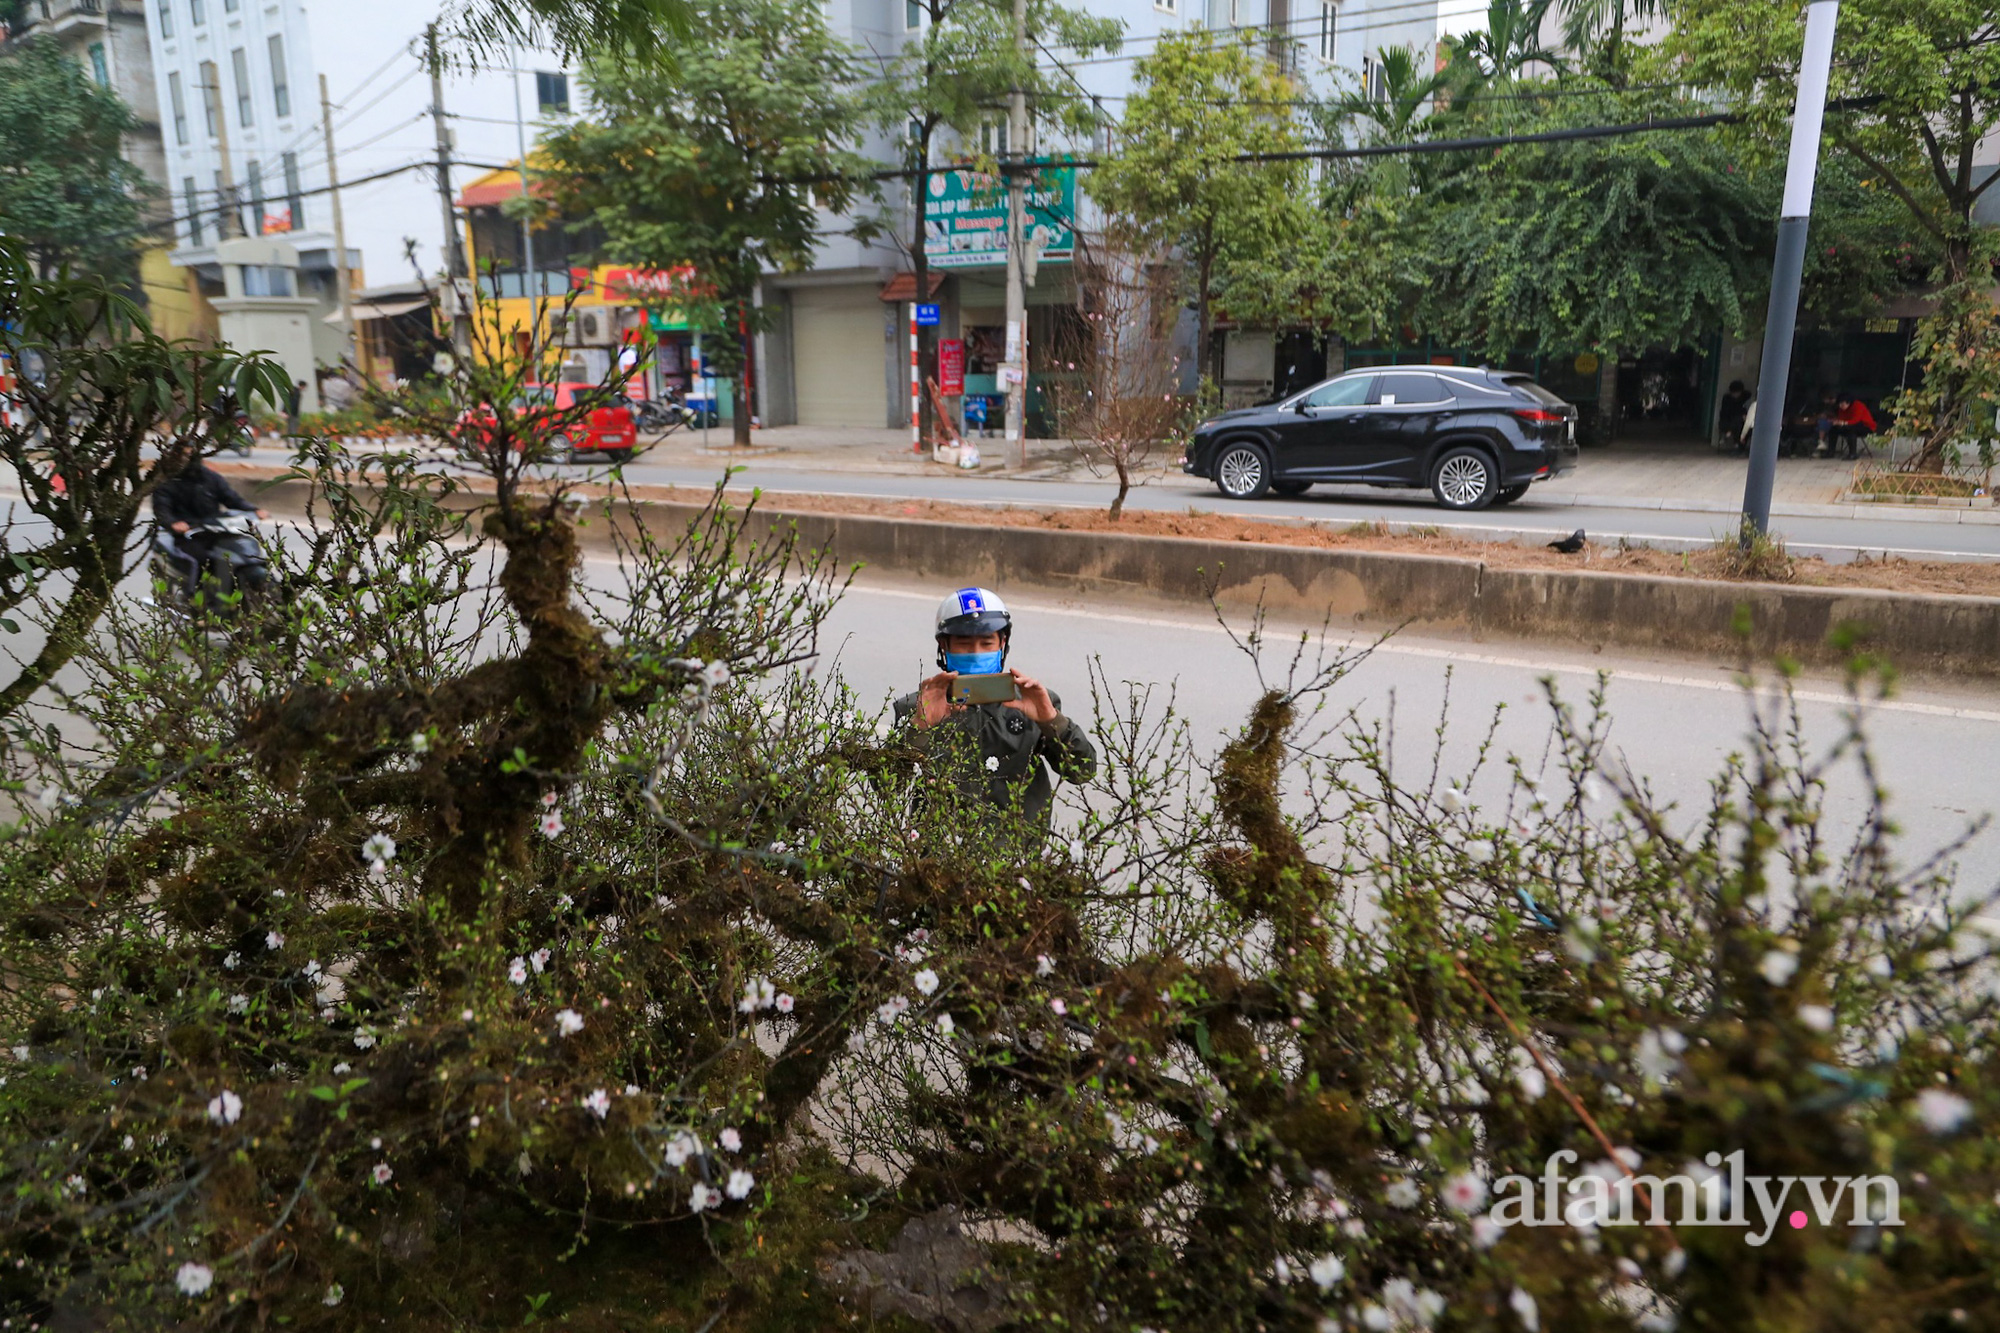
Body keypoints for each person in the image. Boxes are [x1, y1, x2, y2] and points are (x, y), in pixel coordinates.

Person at [893, 586, 1096, 832]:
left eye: (987, 642)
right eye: (964, 643)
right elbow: (888, 787)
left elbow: (1082, 772)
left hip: (1016, 859)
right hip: (937, 859)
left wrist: (1051, 721)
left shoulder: (1034, 702)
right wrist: (920, 727)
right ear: (944, 646)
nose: (976, 653)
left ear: (1003, 643)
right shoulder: (916, 708)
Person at [152, 454, 269, 598]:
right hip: (189, 535)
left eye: (191, 455)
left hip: (216, 530)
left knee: (246, 550)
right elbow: (162, 509)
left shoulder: (211, 477)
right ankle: (196, 601)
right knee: (202, 561)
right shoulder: (167, 482)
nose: (188, 459)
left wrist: (254, 510)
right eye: (183, 455)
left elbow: (232, 498)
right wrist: (173, 523)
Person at [1825, 394, 1878, 460]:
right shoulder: (1841, 408)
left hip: (1865, 426)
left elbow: (1856, 420)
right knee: (1833, 429)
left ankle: (1853, 454)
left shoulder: (1858, 405)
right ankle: (1831, 452)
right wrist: (1837, 422)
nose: (1841, 406)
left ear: (1848, 403)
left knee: (1851, 430)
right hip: (1848, 426)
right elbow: (1841, 418)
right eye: (1839, 404)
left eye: (1842, 404)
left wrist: (1843, 423)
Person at [1719, 380, 1751, 453]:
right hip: (1728, 420)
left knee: (1744, 426)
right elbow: (1726, 413)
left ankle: (1737, 443)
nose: (1735, 395)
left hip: (1741, 421)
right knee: (1737, 422)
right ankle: (1737, 443)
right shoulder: (1727, 399)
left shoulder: (1745, 397)